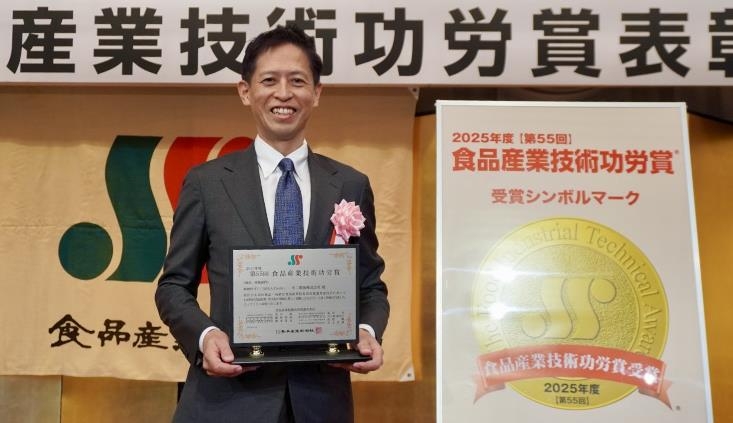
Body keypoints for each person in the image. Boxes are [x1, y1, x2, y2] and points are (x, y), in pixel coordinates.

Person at [155, 25, 389, 423]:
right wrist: (206, 337)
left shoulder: (350, 184)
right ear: (245, 91)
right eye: (269, 81)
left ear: (317, 92)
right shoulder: (207, 183)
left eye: (297, 81)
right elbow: (174, 286)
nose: (283, 94)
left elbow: (370, 286)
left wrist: (366, 330)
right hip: (227, 401)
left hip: (320, 402)